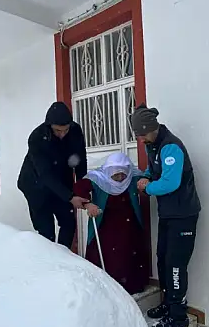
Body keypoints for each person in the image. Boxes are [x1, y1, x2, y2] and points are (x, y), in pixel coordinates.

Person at [130, 105, 201, 327]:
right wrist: (147, 177)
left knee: (176, 265)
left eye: (140, 135)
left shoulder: (171, 147)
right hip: (169, 214)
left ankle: (178, 315)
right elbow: (155, 171)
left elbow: (171, 183)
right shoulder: (154, 145)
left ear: (149, 129)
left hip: (183, 215)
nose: (139, 140)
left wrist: (148, 187)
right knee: (163, 259)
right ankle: (168, 303)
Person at [73, 152, 149, 295]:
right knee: (108, 257)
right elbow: (79, 189)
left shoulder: (132, 176)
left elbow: (146, 178)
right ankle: (106, 291)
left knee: (130, 254)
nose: (120, 178)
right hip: (105, 224)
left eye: (123, 174)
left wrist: (146, 180)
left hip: (129, 225)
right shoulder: (98, 178)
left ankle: (132, 287)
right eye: (115, 175)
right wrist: (88, 204)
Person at [17, 102, 89, 249]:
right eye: (57, 130)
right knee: (46, 231)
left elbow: (80, 160)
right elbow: (45, 174)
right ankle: (49, 266)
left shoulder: (75, 131)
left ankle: (64, 261)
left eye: (65, 130)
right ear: (49, 125)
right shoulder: (37, 138)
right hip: (35, 185)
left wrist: (82, 188)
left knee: (69, 223)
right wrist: (70, 197)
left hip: (61, 181)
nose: (62, 134)